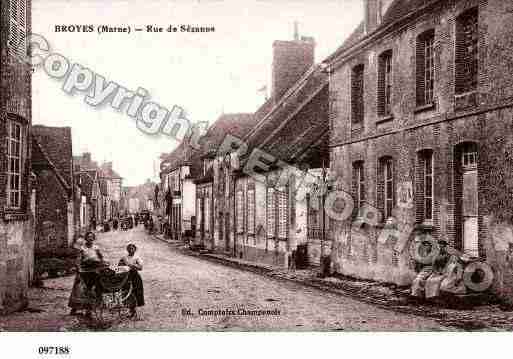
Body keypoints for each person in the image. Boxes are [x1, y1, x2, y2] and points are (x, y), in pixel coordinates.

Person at [68, 231, 104, 317]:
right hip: (84, 270)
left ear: (93, 238)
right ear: (86, 238)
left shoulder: (96, 248)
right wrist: (78, 268)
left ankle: (89, 310)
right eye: (88, 237)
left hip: (94, 270)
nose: (90, 238)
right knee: (79, 289)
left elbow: (101, 258)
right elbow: (78, 259)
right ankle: (75, 307)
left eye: (92, 237)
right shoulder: (82, 248)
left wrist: (101, 263)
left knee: (91, 290)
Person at [119, 244, 144, 318]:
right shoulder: (124, 257)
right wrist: (123, 265)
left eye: (132, 248)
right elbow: (119, 265)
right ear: (127, 250)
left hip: (134, 276)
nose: (131, 250)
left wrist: (132, 265)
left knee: (137, 293)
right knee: (127, 293)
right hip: (126, 276)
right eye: (129, 249)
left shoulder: (137, 257)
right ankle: (131, 310)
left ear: (135, 249)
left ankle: (137, 312)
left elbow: (140, 267)